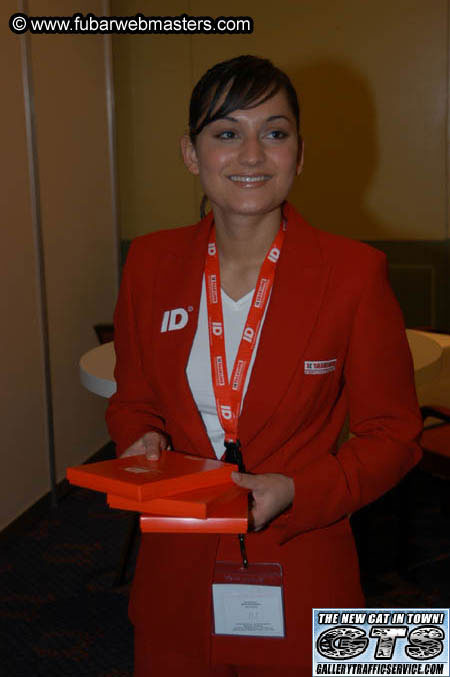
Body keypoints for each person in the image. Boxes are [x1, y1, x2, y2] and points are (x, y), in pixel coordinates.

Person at [106, 55, 422, 676]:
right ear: (191, 154)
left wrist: (299, 490)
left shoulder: (355, 274)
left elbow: (394, 435)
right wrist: (140, 439)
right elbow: (132, 399)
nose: (252, 154)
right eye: (227, 132)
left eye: (274, 133)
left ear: (299, 155)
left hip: (306, 565)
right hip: (176, 575)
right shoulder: (149, 262)